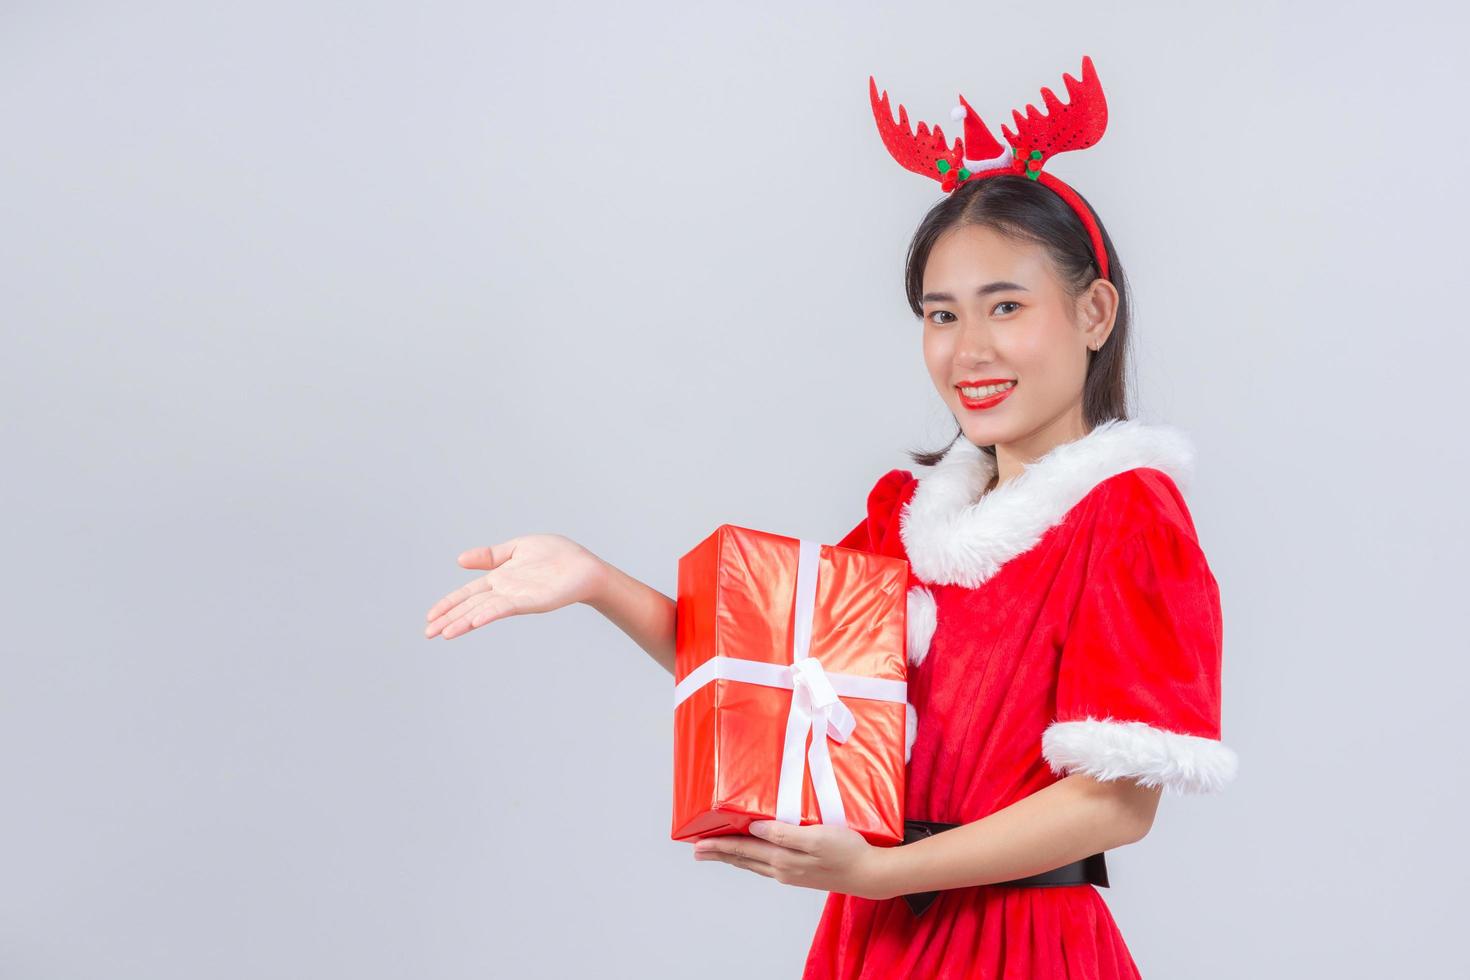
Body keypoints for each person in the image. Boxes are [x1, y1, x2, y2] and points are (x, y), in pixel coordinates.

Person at [424, 57, 1237, 979]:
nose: (970, 349)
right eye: (941, 314)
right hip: (878, 936)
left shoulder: (1127, 515)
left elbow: (1114, 806)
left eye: (1006, 306)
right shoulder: (908, 519)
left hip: (1020, 945)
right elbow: (772, 676)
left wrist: (891, 871)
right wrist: (595, 583)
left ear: (1093, 312)